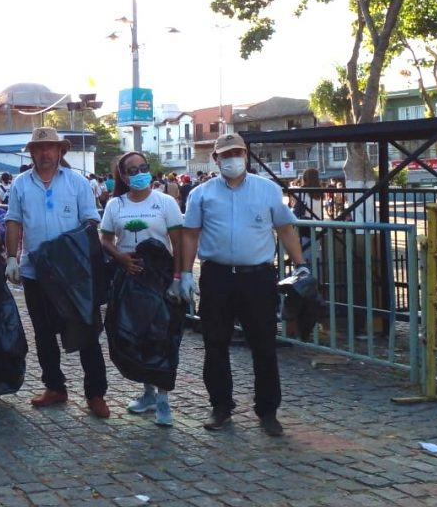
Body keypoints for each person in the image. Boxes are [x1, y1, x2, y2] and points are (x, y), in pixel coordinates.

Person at [180, 132, 309, 437]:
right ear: (216, 159)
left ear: (246, 156)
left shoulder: (267, 190)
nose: (232, 159)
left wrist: (301, 265)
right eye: (226, 155)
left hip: (258, 277)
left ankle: (268, 412)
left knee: (264, 346)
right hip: (217, 276)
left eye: (237, 153)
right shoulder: (201, 194)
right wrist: (185, 273)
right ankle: (221, 407)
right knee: (215, 345)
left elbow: (285, 228)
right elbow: (190, 235)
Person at [4, 127, 107, 417]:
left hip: (72, 274)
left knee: (86, 332)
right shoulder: (20, 184)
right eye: (39, 148)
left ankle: (95, 392)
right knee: (43, 333)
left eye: (51, 148)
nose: (45, 153)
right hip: (36, 273)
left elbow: (90, 222)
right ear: (32, 152)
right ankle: (55, 386)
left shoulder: (77, 182)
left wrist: (65, 251)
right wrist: (12, 257)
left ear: (61, 151)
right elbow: (13, 221)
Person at [99, 152, 184, 427]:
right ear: (122, 176)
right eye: (132, 170)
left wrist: (178, 277)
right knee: (132, 337)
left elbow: (178, 241)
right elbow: (105, 237)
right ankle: (147, 393)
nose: (138, 174)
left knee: (161, 338)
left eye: (143, 168)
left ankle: (163, 400)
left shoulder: (165, 202)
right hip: (129, 280)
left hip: (159, 279)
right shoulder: (115, 205)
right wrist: (120, 257)